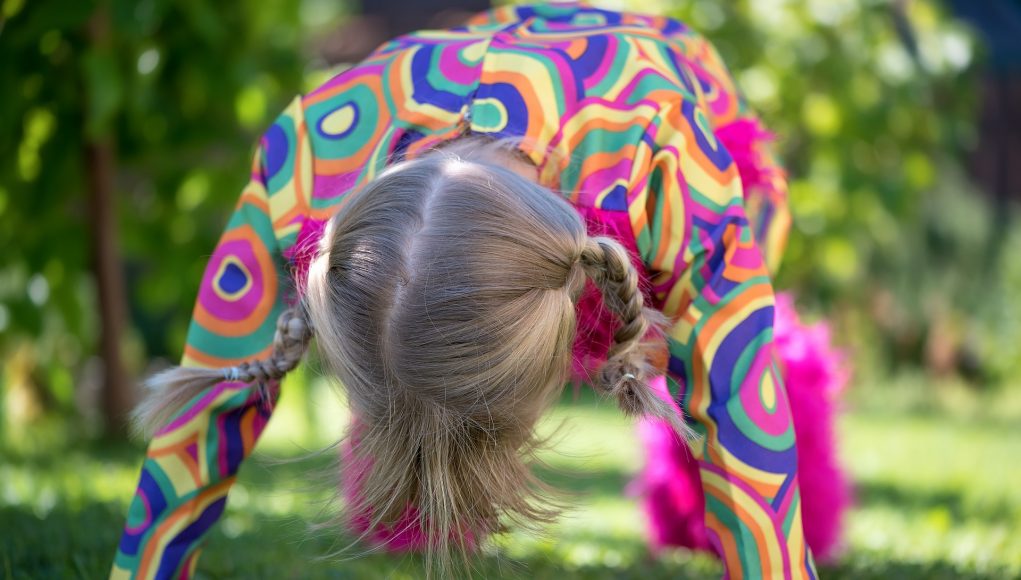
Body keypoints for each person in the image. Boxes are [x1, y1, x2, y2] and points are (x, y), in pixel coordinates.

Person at [112, 3, 849, 578]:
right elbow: (214, 387)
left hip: (676, 89)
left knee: (725, 359)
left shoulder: (664, 163)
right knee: (420, 338)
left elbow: (739, 410)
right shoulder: (305, 157)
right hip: (501, 72)